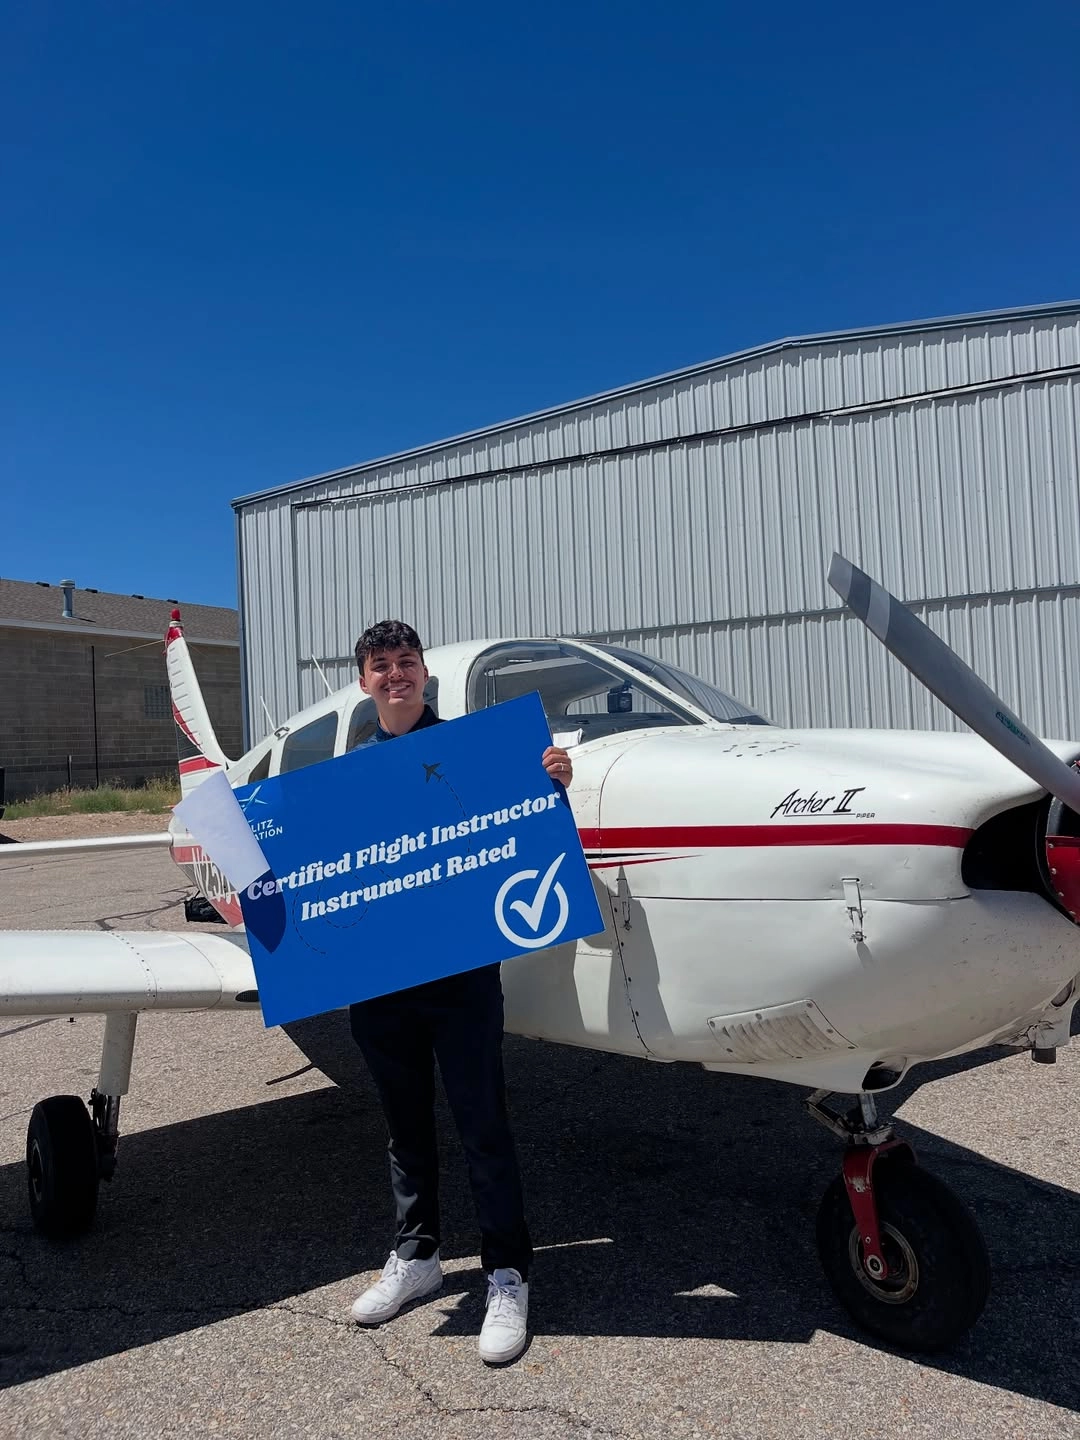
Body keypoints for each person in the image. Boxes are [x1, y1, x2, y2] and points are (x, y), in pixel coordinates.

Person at [347, 619, 573, 1365]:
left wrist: (551, 785)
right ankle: (417, 1258)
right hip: (381, 981)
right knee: (404, 1130)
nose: (396, 675)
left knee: (484, 1128)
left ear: (423, 675)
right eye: (382, 666)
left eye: (406, 662)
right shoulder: (344, 778)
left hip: (462, 980)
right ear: (365, 682)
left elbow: (527, 833)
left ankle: (508, 1273)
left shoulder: (482, 753)